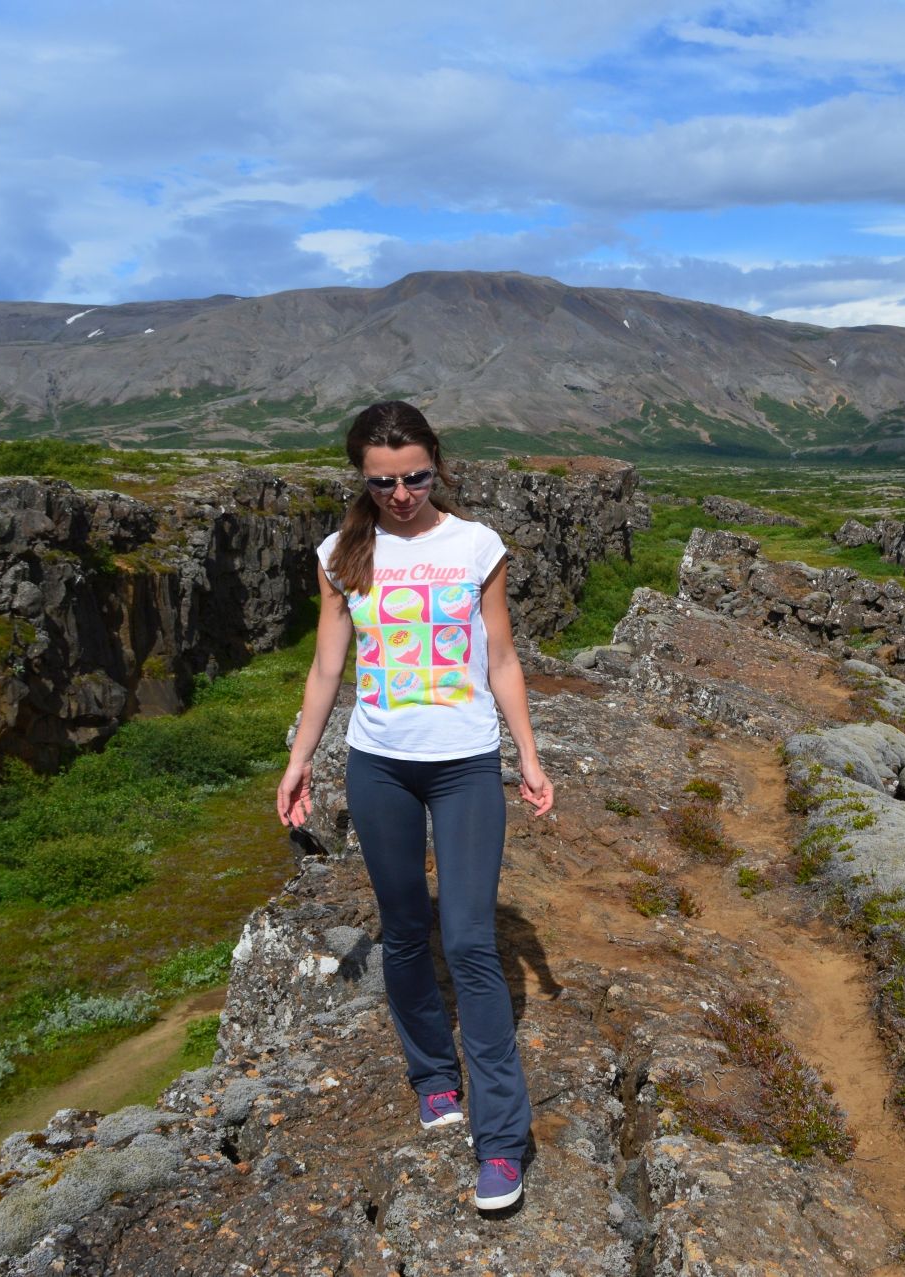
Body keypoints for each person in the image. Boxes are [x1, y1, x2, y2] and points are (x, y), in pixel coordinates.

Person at [276, 400, 554, 1213]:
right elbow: (329, 668)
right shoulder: (340, 554)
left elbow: (501, 656)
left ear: (437, 462)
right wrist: (299, 765)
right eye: (383, 481)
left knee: (469, 941)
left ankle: (502, 1141)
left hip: (466, 766)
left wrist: (528, 757)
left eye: (416, 477)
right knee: (402, 931)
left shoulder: (476, 545)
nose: (401, 494)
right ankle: (434, 1075)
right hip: (379, 770)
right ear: (362, 477)